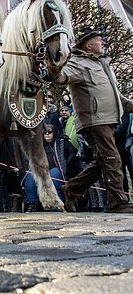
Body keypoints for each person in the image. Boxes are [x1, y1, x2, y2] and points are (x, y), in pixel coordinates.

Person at [54, 26, 133, 213]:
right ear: (88, 46)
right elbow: (61, 77)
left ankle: (71, 190)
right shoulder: (77, 63)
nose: (103, 42)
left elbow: (116, 95)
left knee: (102, 161)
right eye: (99, 39)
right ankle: (118, 203)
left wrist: (129, 105)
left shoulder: (102, 63)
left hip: (108, 119)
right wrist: (53, 67)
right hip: (94, 120)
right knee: (112, 158)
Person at [23, 124, 77, 212]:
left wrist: (67, 166)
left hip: (56, 168)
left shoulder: (63, 142)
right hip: (40, 169)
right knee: (29, 176)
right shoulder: (37, 145)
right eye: (44, 133)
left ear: (54, 133)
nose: (47, 134)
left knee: (54, 175)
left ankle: (55, 203)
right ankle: (31, 203)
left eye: (49, 132)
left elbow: (72, 154)